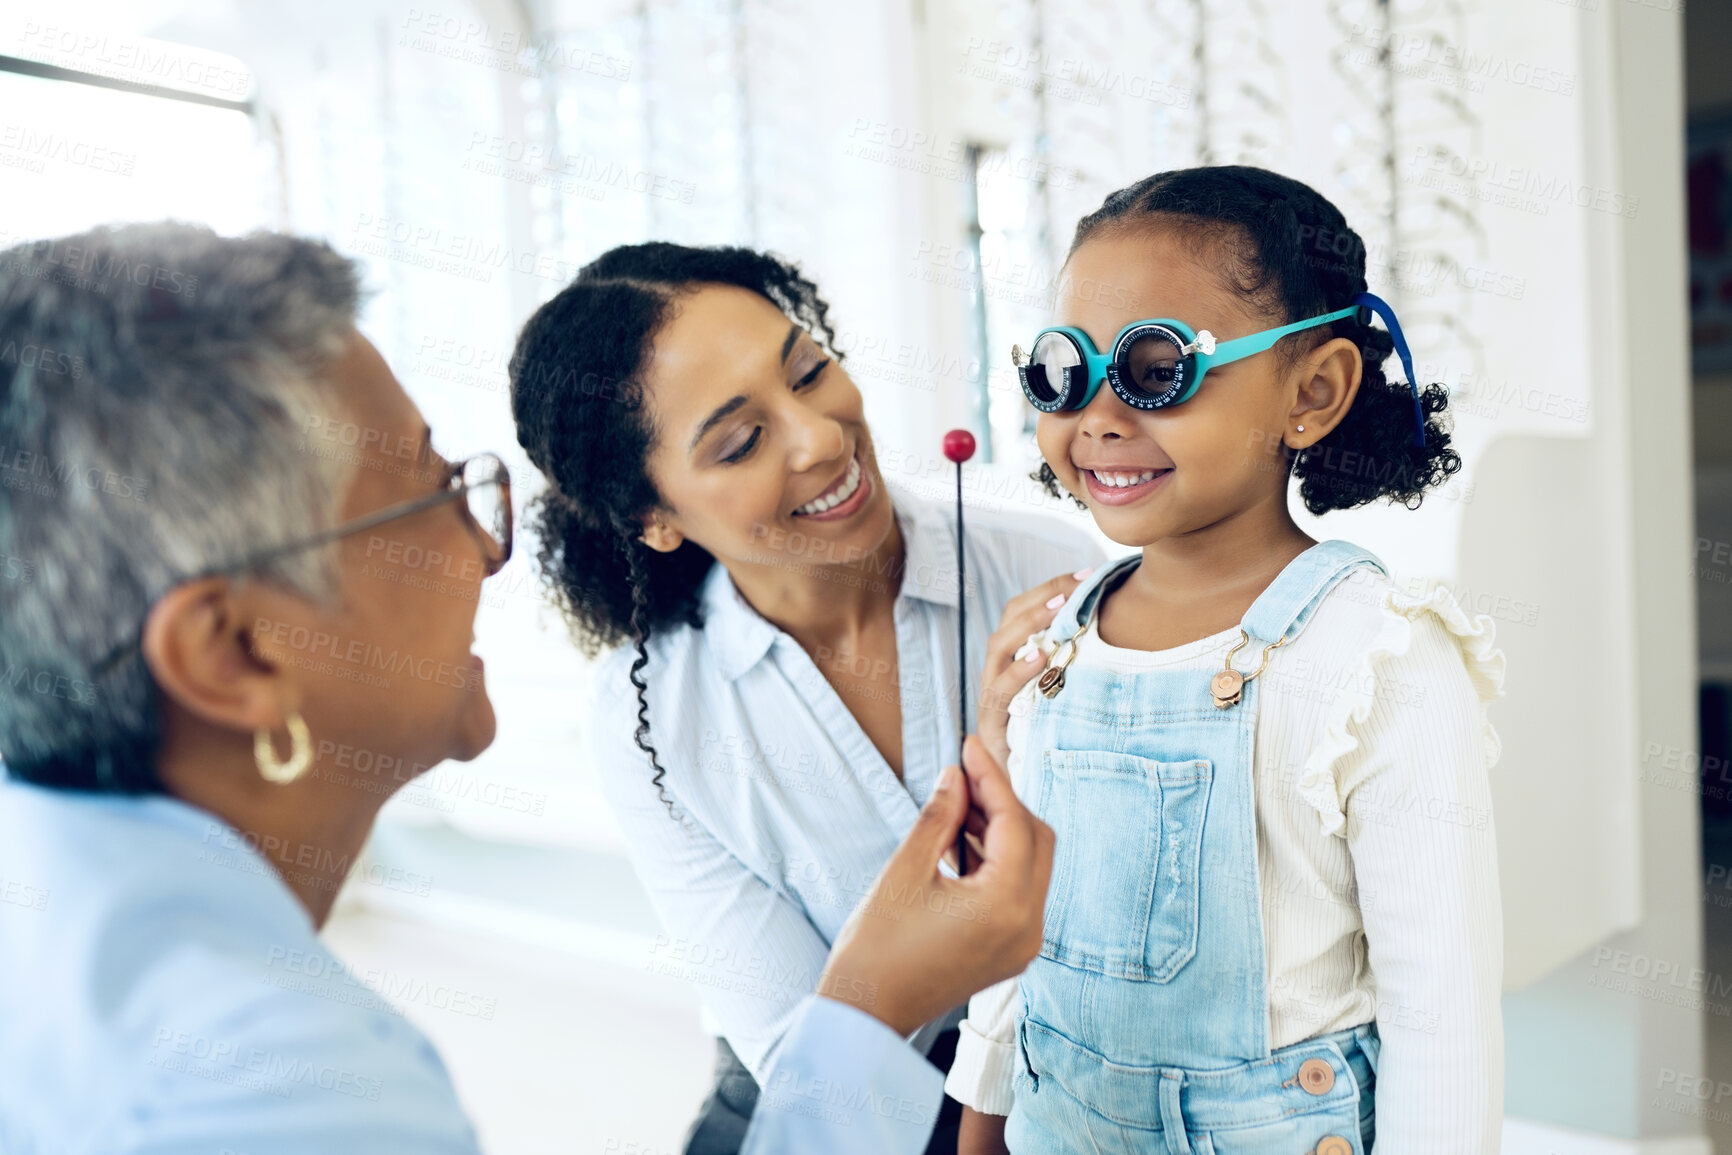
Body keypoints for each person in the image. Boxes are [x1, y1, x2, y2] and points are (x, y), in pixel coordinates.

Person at [0, 223, 1054, 1155]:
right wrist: (879, 1002)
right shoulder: (266, 1092)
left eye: (811, 372)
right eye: (427, 492)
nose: (483, 547)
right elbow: (793, 1063)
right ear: (235, 655)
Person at [949, 167, 1508, 1154]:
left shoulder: (1379, 657)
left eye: (1156, 369)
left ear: (1313, 391)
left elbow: (1444, 1013)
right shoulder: (1054, 642)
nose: (1101, 416)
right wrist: (979, 1119)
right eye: (1061, 370)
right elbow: (1013, 929)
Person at [507, 242, 1104, 1154]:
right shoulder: (651, 724)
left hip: (1065, 1080)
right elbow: (807, 1081)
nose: (822, 436)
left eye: (811, 371)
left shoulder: (1047, 576)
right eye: (741, 441)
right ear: (653, 518)